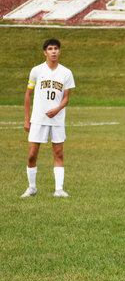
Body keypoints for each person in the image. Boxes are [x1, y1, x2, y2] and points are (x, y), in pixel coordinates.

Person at [21, 38, 75, 198]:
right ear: (45, 52)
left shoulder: (66, 72)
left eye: (56, 49)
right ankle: (31, 187)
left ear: (59, 51)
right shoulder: (36, 71)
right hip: (38, 119)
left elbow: (66, 98)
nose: (53, 51)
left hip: (57, 120)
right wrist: (26, 119)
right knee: (32, 154)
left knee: (58, 153)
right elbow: (28, 94)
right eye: (50, 49)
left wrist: (57, 109)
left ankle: (59, 189)